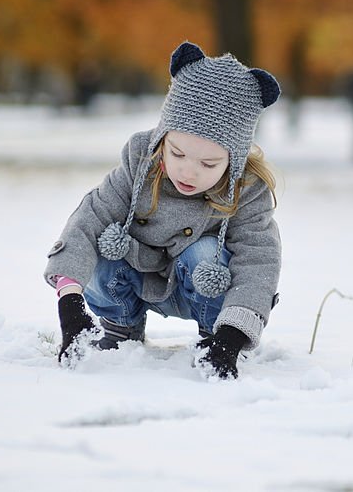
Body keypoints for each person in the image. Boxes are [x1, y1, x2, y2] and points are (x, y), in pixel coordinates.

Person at [43, 41, 282, 380]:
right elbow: (89, 220)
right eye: (178, 153)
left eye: (208, 163)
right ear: (162, 139)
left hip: (201, 288)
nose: (188, 171)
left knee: (204, 252)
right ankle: (120, 324)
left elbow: (259, 261)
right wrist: (70, 303)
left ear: (234, 160)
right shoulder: (140, 161)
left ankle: (212, 334)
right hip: (136, 276)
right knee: (104, 240)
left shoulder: (247, 188)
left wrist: (231, 339)